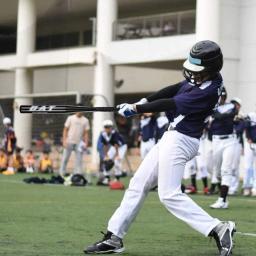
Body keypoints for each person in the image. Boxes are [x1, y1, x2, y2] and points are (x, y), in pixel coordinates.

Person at [84, 41, 236, 256]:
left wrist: (137, 109)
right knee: (138, 184)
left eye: (197, 71)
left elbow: (170, 103)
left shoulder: (208, 91)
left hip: (182, 141)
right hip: (171, 138)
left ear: (210, 69)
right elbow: (173, 89)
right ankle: (114, 238)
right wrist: (144, 100)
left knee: (169, 195)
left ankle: (218, 228)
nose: (191, 74)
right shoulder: (203, 79)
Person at [209, 90, 241, 209]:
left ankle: (222, 200)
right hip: (216, 141)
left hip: (230, 140)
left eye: (222, 96)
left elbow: (232, 112)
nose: (220, 98)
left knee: (226, 169)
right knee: (217, 172)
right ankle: (223, 196)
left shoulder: (231, 105)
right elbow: (218, 116)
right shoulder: (212, 107)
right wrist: (229, 116)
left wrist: (230, 116)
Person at [59, 104, 90, 175]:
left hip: (79, 143)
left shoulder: (85, 120)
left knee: (79, 160)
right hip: (69, 141)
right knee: (65, 158)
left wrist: (86, 143)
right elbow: (65, 130)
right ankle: (62, 173)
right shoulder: (70, 118)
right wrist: (64, 140)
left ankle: (77, 174)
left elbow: (86, 133)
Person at [97, 120, 127, 185]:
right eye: (106, 127)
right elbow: (105, 145)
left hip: (121, 147)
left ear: (111, 127)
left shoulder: (114, 133)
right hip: (114, 146)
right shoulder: (103, 134)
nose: (108, 129)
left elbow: (116, 144)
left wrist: (117, 155)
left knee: (117, 161)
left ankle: (117, 179)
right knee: (106, 161)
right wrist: (106, 155)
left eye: (109, 127)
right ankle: (107, 178)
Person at [184, 129, 209, 195]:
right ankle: (194, 186)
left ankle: (206, 187)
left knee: (201, 165)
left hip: (199, 140)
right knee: (191, 166)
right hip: (189, 140)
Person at [229, 98, 244, 195]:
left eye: (236, 104)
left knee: (234, 166)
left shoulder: (241, 116)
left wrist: (236, 121)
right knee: (227, 166)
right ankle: (227, 185)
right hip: (227, 142)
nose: (234, 106)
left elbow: (239, 129)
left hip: (236, 142)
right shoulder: (228, 115)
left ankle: (233, 187)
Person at [243, 112, 256, 196]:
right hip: (250, 143)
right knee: (248, 166)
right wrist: (248, 137)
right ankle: (247, 187)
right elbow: (246, 126)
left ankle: (254, 188)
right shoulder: (251, 115)